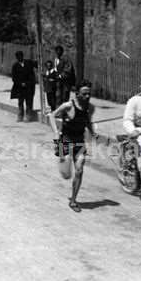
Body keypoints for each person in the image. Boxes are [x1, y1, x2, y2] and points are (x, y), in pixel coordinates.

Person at [49, 80, 96, 212]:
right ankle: (63, 160)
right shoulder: (68, 106)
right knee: (66, 174)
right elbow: (52, 116)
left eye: (89, 94)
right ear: (77, 94)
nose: (87, 97)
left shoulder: (90, 107)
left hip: (79, 141)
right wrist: (56, 132)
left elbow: (88, 122)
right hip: (65, 140)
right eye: (84, 94)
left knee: (80, 170)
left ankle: (73, 200)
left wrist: (93, 134)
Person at [10, 51, 37, 122]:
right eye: (18, 57)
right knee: (20, 101)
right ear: (16, 58)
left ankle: (28, 116)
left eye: (20, 56)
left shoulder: (28, 63)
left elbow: (36, 65)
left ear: (22, 56)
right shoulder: (15, 66)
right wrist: (20, 83)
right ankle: (20, 116)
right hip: (20, 87)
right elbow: (14, 78)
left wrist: (28, 83)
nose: (19, 58)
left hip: (28, 86)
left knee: (29, 101)